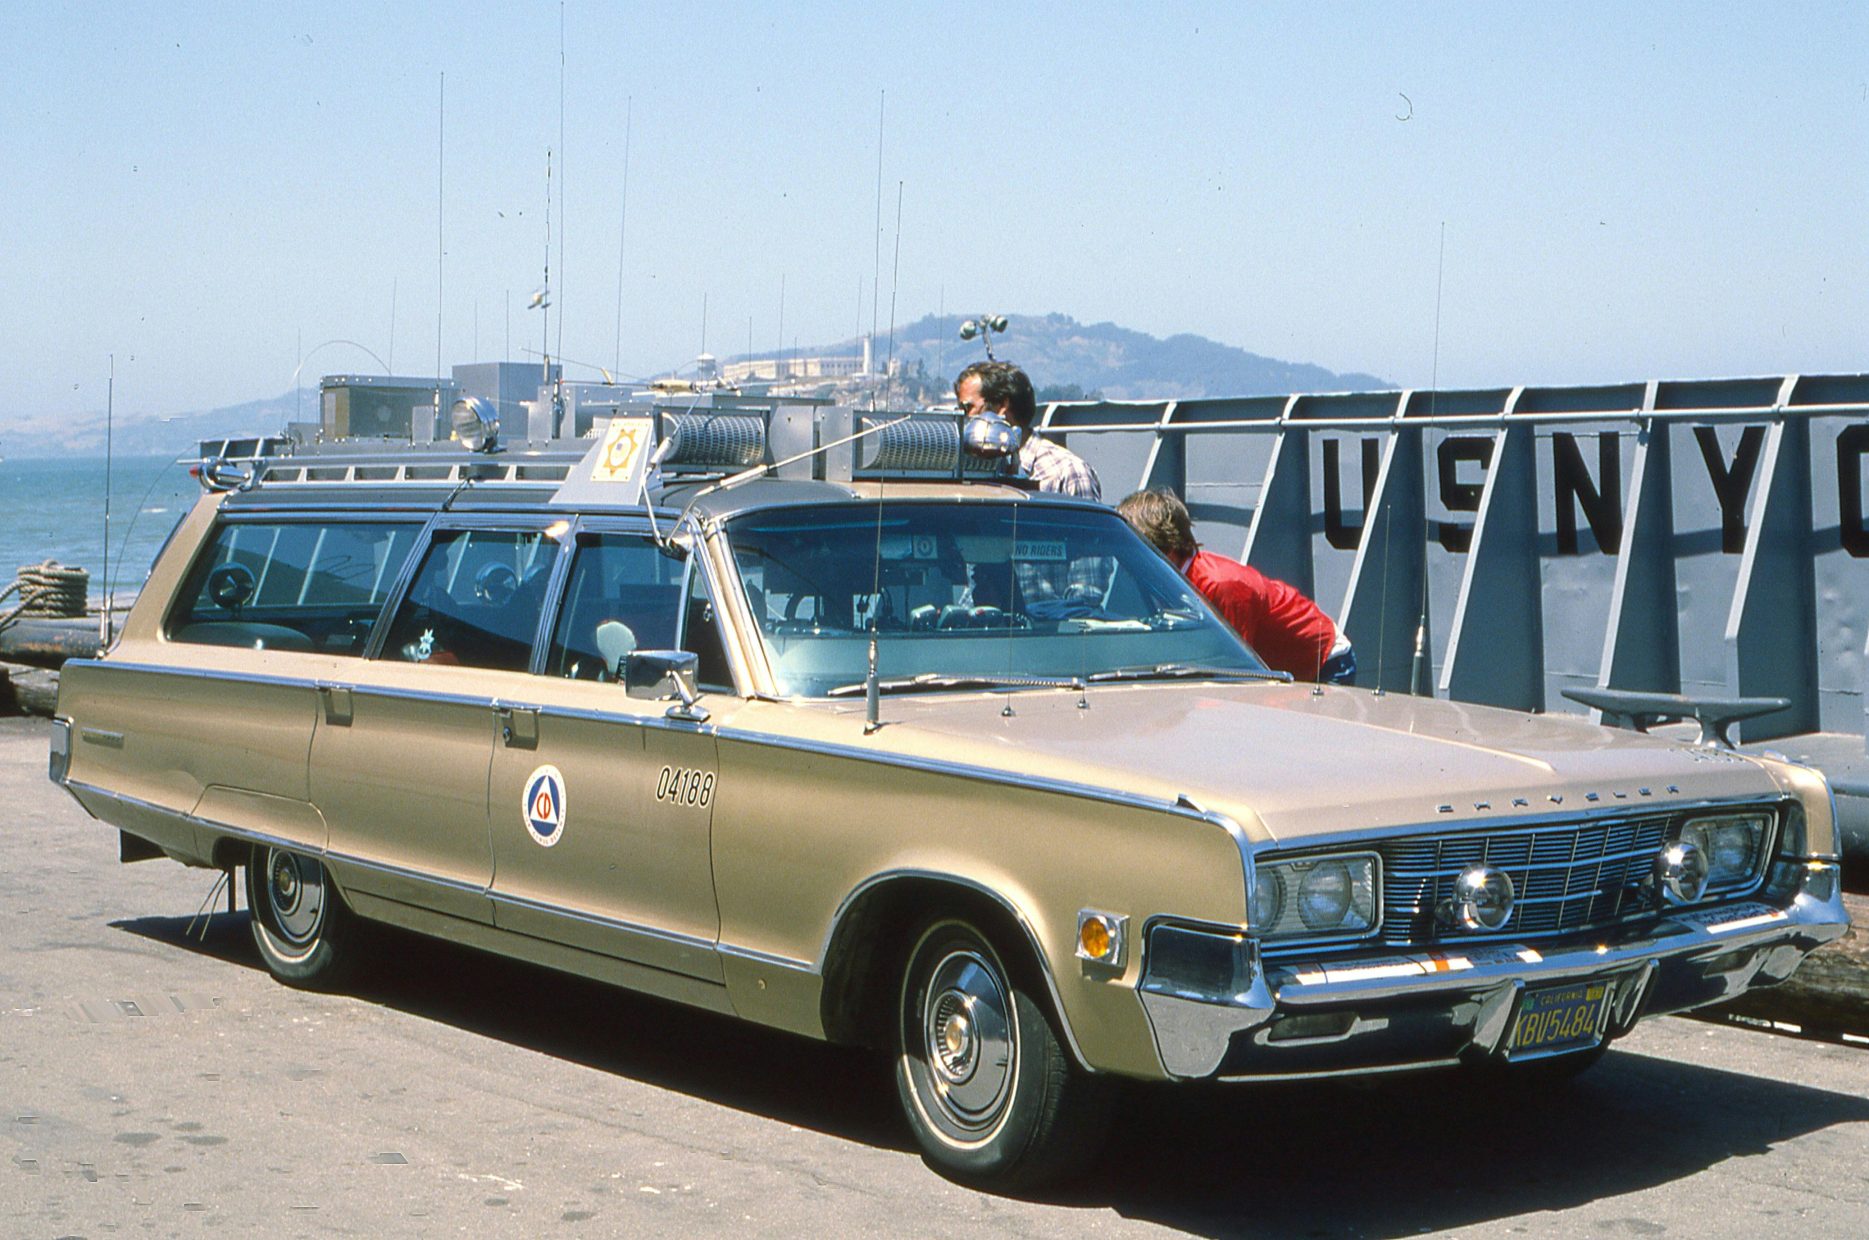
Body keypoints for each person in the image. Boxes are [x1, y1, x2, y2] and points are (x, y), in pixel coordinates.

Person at [1116, 488, 1356, 684]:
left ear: (1165, 549)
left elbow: (1234, 671)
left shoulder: (1222, 586)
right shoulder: (1165, 582)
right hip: (1279, 668)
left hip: (1323, 663)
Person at [955, 361, 1101, 500]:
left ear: (1002, 406)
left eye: (967, 408)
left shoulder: (1068, 472)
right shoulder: (963, 471)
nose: (962, 417)